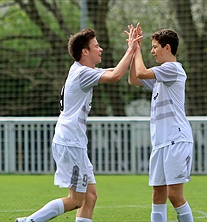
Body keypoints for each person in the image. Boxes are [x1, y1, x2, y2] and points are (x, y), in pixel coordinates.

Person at [15, 26, 141, 222]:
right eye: (96, 46)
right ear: (85, 51)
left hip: (74, 142)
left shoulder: (80, 70)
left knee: (90, 197)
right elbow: (116, 76)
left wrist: (132, 52)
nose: (101, 49)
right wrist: (131, 49)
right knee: (76, 200)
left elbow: (114, 71)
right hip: (70, 142)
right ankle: (28, 221)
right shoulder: (82, 74)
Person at [128, 24, 194, 222]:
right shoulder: (160, 75)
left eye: (155, 46)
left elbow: (141, 73)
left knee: (174, 195)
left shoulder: (173, 69)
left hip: (176, 139)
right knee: (158, 193)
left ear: (167, 48)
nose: (152, 51)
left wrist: (136, 47)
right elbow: (133, 78)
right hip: (161, 142)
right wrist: (133, 51)